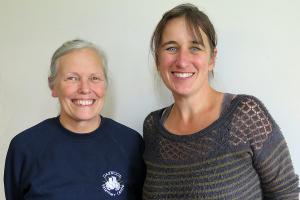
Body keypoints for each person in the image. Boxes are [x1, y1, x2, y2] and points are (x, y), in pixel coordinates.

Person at [143, 3, 299, 199]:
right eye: (171, 48)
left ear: (211, 59)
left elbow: (286, 193)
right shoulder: (152, 127)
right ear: (158, 59)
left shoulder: (245, 114)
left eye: (195, 47)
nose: (182, 60)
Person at [4, 39, 145, 199]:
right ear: (53, 86)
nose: (84, 89)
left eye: (94, 78)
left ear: (105, 85)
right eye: (72, 78)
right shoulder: (24, 147)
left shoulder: (131, 143)